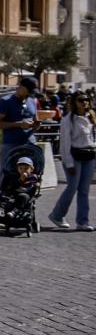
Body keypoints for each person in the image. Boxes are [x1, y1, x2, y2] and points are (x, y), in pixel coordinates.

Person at [48, 90, 95, 231]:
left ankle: (82, 222)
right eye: (81, 100)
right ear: (74, 102)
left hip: (89, 155)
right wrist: (68, 163)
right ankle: (57, 215)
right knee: (72, 187)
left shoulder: (91, 117)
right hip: (74, 157)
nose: (84, 102)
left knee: (84, 190)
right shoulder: (68, 120)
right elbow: (65, 144)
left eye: (86, 99)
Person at [0, 76, 41, 168]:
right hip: (11, 145)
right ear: (21, 87)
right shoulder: (6, 101)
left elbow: (35, 119)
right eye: (29, 91)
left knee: (30, 174)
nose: (30, 94)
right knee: (7, 173)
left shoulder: (32, 101)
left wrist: (36, 125)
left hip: (30, 144)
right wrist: (19, 124)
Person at [0, 154, 40, 220]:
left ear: (31, 169)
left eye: (26, 168)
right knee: (2, 195)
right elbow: (14, 186)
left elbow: (32, 187)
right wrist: (20, 180)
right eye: (20, 168)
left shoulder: (32, 177)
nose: (23, 170)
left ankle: (15, 211)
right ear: (17, 169)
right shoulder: (16, 176)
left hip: (26, 195)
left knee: (23, 196)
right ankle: (1, 209)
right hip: (15, 193)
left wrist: (36, 185)